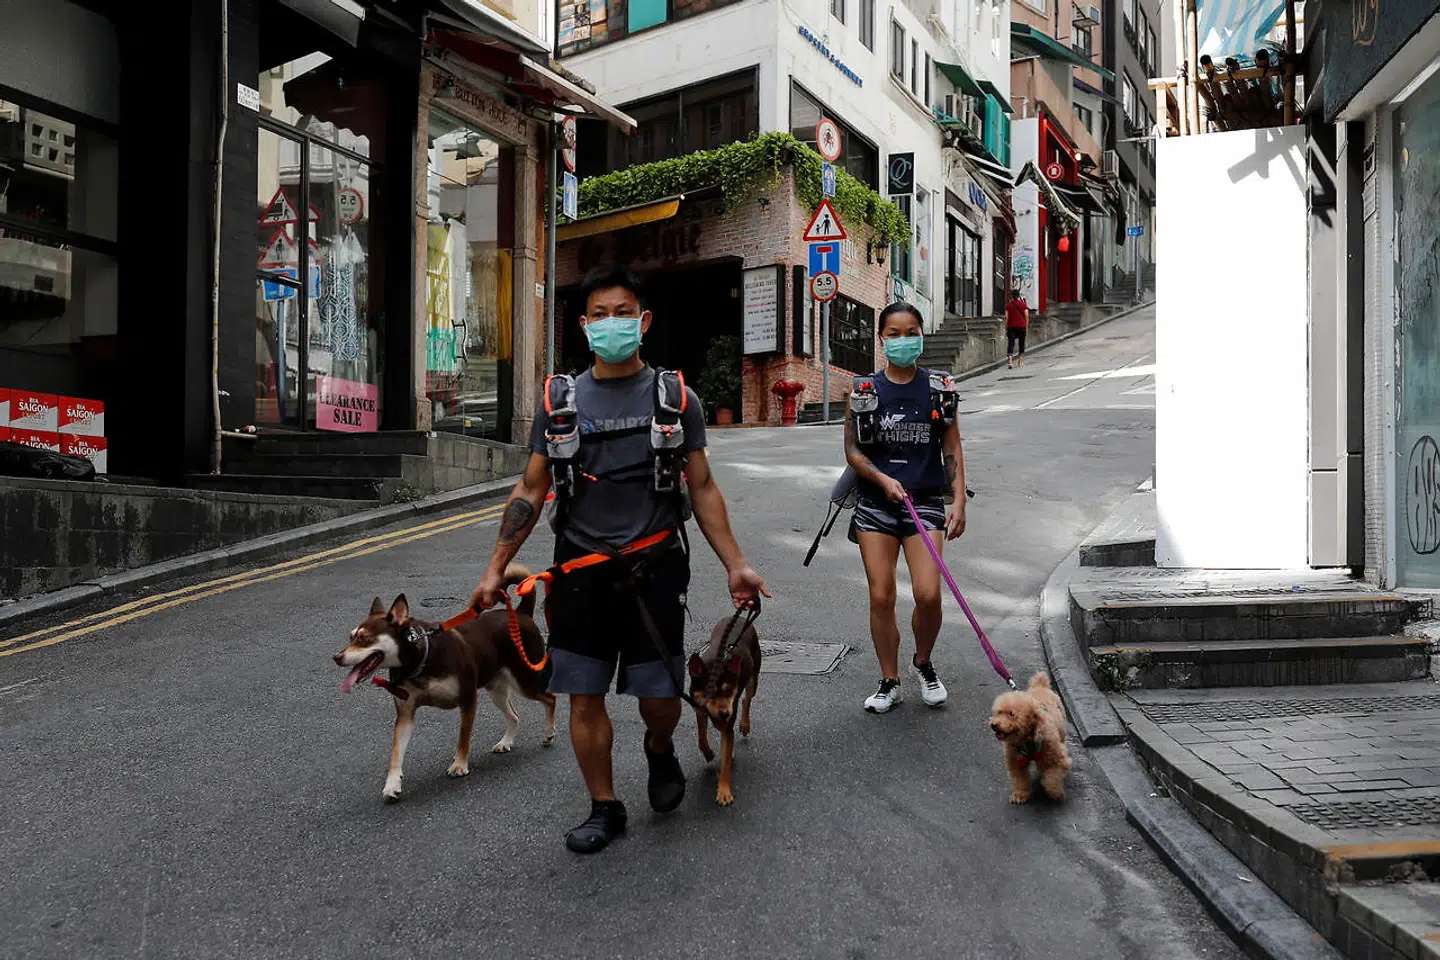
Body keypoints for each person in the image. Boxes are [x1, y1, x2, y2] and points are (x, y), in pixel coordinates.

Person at [470, 264, 768, 855]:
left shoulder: (677, 399)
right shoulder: (559, 402)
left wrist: (736, 564)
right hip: (579, 575)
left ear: (644, 321)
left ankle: (659, 748)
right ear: (583, 327)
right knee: (584, 694)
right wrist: (493, 567)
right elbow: (530, 491)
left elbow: (702, 488)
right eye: (600, 316)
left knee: (660, 701)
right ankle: (604, 805)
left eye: (623, 313)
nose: (612, 325)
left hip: (654, 571)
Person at [843, 302, 967, 714]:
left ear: (921, 336)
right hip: (876, 507)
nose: (901, 339)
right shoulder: (865, 391)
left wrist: (960, 497)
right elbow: (852, 450)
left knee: (928, 593)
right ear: (881, 339)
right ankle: (889, 680)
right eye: (892, 333)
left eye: (910, 331)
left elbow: (952, 445)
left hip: (925, 504)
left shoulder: (939, 388)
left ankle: (924, 662)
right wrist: (881, 479)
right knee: (881, 597)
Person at [1005, 288, 1029, 368]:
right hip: (1022, 326)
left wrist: (1006, 327)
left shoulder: (1008, 306)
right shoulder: (1023, 304)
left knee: (1011, 343)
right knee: (1021, 343)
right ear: (1018, 296)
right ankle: (1020, 362)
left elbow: (1006, 317)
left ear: (1012, 296)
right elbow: (1026, 315)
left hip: (1011, 327)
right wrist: (1026, 325)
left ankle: (1010, 361)